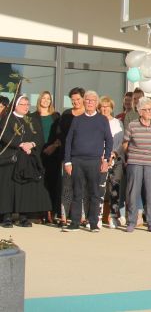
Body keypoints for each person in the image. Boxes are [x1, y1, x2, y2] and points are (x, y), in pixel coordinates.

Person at [62, 90, 113, 232]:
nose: (90, 103)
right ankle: (75, 223)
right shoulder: (77, 120)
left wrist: (106, 159)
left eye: (92, 100)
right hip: (77, 161)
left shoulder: (102, 120)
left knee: (94, 193)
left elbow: (109, 140)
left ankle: (93, 223)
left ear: (96, 103)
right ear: (84, 102)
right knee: (77, 192)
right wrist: (67, 161)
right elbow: (68, 141)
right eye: (87, 100)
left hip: (94, 161)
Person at [0, 96, 50, 227]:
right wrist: (21, 144)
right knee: (8, 188)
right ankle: (6, 217)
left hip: (28, 158)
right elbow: (4, 136)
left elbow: (40, 137)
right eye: (23, 104)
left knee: (25, 188)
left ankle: (23, 217)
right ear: (15, 105)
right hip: (11, 159)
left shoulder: (32, 120)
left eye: (28, 104)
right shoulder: (7, 119)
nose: (26, 106)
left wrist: (31, 144)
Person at [123, 96, 151, 233]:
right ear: (140, 111)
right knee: (133, 192)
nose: (150, 112)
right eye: (147, 109)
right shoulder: (132, 125)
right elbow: (125, 144)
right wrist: (131, 156)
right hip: (135, 161)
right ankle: (132, 221)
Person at [56, 87, 84, 226]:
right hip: (68, 156)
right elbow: (60, 135)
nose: (75, 102)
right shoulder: (66, 114)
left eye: (78, 99)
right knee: (67, 186)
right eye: (73, 100)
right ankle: (64, 216)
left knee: (83, 187)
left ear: (83, 99)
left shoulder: (89, 114)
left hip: (84, 156)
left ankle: (82, 217)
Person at [32, 91, 60, 224]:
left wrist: (54, 146)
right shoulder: (32, 116)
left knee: (52, 183)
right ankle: (39, 212)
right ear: (39, 100)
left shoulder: (56, 116)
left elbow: (61, 135)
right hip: (37, 154)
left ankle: (51, 212)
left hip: (52, 153)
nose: (45, 100)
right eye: (43, 98)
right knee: (39, 183)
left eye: (48, 98)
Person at [99, 96, 124, 229]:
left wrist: (113, 154)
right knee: (100, 188)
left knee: (114, 188)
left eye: (107, 106)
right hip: (100, 159)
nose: (105, 109)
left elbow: (121, 142)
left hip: (116, 160)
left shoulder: (118, 123)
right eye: (102, 106)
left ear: (111, 108)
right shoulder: (97, 122)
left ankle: (113, 217)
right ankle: (98, 216)